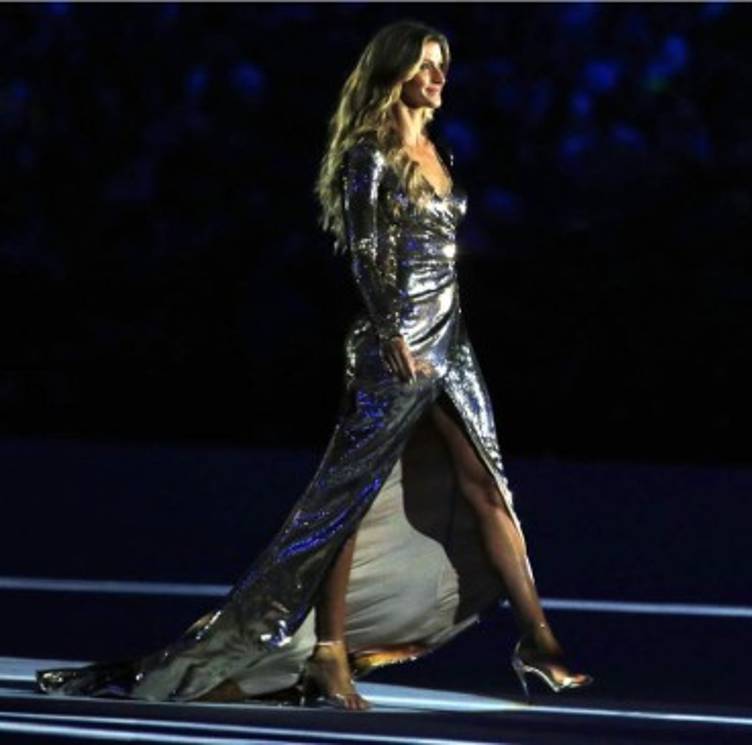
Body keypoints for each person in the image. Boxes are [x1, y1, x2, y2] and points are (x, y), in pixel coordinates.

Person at [35, 18, 593, 710]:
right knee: (347, 501)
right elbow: (364, 249)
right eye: (423, 65)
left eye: (441, 64)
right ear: (393, 73)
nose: (437, 77)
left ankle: (537, 639)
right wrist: (390, 326)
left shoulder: (438, 147)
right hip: (396, 342)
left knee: (486, 485)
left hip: (451, 339)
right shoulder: (371, 152)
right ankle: (328, 654)